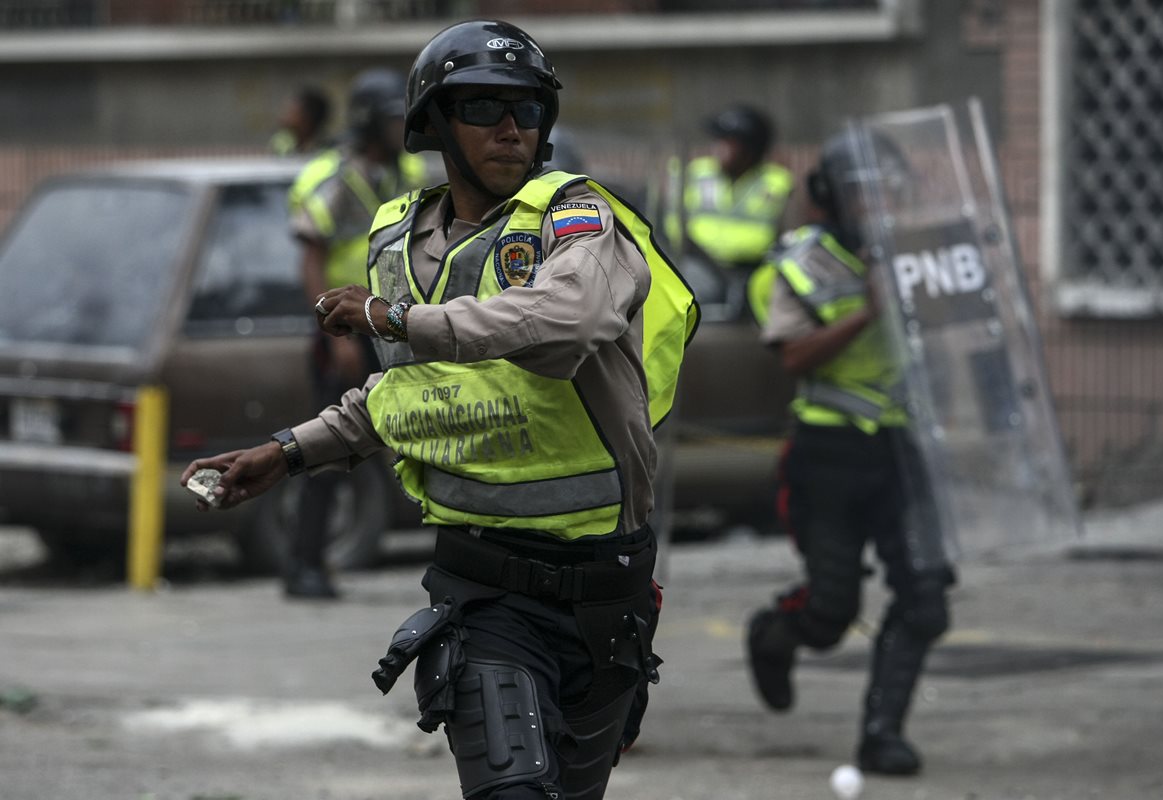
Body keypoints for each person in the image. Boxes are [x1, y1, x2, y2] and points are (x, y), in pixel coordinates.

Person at [181, 18, 697, 800]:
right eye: (485, 107)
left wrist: (396, 319)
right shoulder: (396, 239)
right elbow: (411, 393)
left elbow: (569, 322)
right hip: (481, 588)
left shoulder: (577, 219)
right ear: (435, 123)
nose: (512, 127)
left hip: (604, 587)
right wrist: (287, 451)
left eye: (528, 108)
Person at [744, 131, 955, 776]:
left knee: (925, 599)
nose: (880, 200)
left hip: (902, 453)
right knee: (832, 610)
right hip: (828, 456)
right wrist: (868, 311)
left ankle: (882, 734)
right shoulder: (799, 264)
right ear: (832, 194)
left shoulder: (914, 254)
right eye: (866, 188)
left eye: (890, 187)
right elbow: (793, 357)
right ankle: (773, 635)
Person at [283, 67, 426, 599]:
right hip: (345, 328)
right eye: (391, 121)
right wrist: (335, 336)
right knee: (328, 447)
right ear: (368, 122)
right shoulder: (337, 178)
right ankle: (304, 565)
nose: (400, 130)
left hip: (390, 323)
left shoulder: (405, 172)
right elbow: (311, 261)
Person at [663, 104, 795, 319]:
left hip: (755, 269)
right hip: (699, 263)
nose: (718, 148)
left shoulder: (777, 182)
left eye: (728, 142)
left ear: (750, 149)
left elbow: (789, 233)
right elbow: (673, 224)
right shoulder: (696, 173)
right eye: (718, 140)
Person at [269, 84, 331, 157]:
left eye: (291, 112)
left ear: (307, 118)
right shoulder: (284, 148)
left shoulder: (325, 153)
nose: (283, 119)